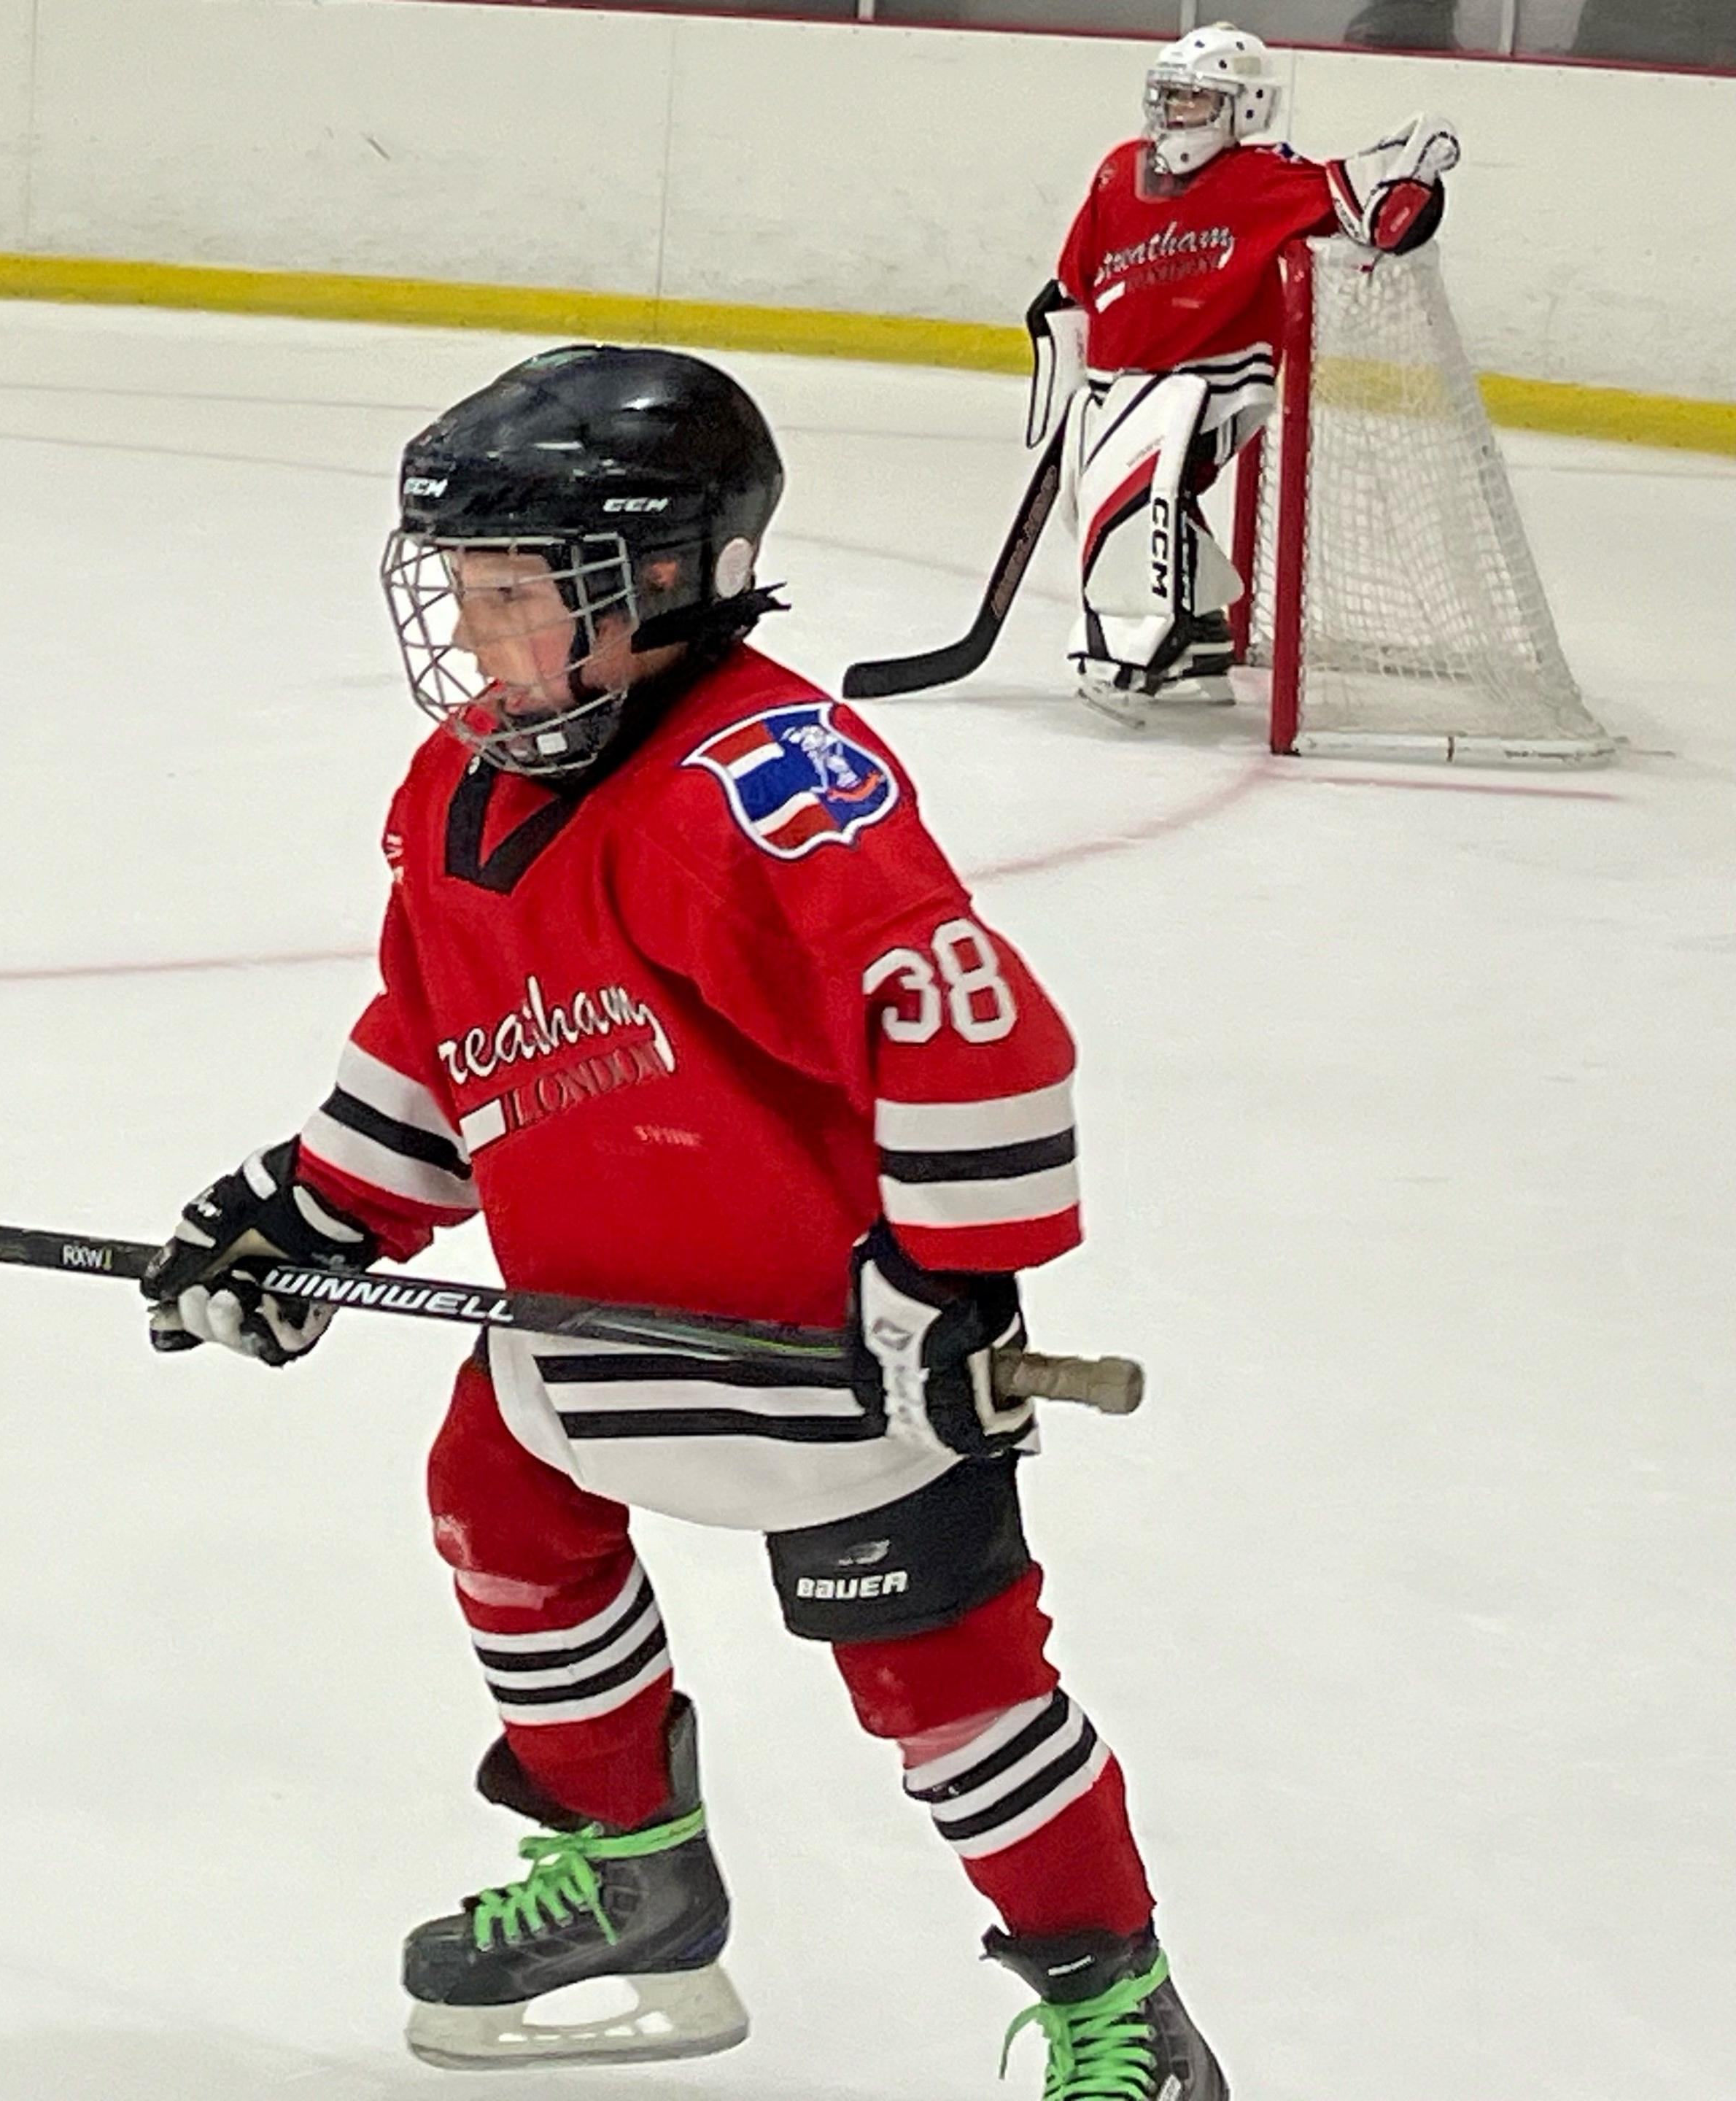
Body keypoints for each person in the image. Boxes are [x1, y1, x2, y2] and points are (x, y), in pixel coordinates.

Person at [139, 343, 1227, 2096]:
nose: (476, 641)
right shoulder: (455, 790)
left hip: (828, 1349)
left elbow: (969, 1024)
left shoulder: (763, 781)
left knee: (945, 1690)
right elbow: (441, 1037)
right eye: (465, 594)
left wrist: (950, 1289)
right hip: (590, 1327)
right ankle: (633, 1866)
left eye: (520, 598)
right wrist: (306, 1218)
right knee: (497, 1501)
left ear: (663, 584)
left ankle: (1117, 2004)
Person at [1034, 21, 1460, 724]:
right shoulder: (1119, 169)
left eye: (1195, 102)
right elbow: (1079, 276)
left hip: (1215, 382)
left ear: (1246, 109)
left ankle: (1139, 639)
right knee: (1103, 499)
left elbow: (1368, 208)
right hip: (1120, 382)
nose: (1175, 116)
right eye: (1168, 98)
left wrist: (1414, 170)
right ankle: (1201, 629)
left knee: (1137, 500)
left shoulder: (1263, 177)